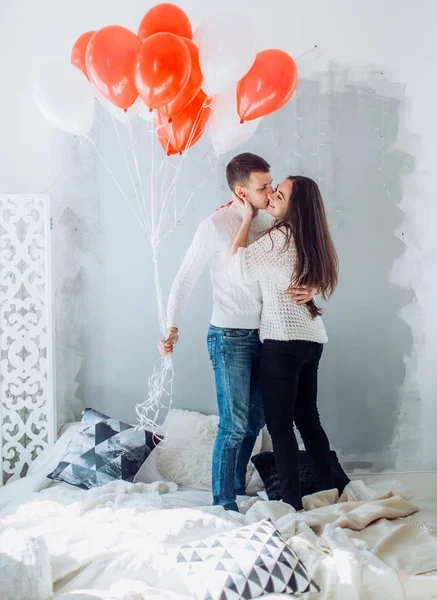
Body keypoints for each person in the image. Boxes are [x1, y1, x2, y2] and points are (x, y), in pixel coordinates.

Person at [158, 153, 317, 511]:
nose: (271, 191)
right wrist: (171, 327)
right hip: (229, 336)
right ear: (241, 192)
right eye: (262, 187)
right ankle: (223, 502)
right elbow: (184, 278)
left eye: (271, 184)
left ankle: (234, 484)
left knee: (255, 420)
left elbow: (298, 262)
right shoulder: (214, 225)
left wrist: (314, 287)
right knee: (233, 423)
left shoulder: (270, 223)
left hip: (267, 336)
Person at [230, 175, 339, 511]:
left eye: (279, 194)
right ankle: (335, 484)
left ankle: (290, 500)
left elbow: (239, 267)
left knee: (280, 425)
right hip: (311, 338)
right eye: (273, 191)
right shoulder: (311, 236)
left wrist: (246, 217)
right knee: (308, 419)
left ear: (295, 207)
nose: (272, 197)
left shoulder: (279, 238)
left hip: (284, 340)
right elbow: (320, 278)